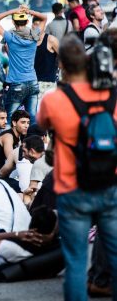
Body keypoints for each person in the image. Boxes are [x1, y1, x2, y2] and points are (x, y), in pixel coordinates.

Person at [37, 35, 117, 301]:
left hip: (71, 189)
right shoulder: (111, 95)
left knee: (76, 262)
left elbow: (42, 123)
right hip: (109, 185)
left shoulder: (53, 99)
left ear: (61, 64)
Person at [0, 5, 47, 124]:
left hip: (17, 83)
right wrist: (29, 11)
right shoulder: (34, 36)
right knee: (31, 118)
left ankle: (9, 142)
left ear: (13, 22)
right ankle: (32, 141)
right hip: (32, 81)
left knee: (9, 118)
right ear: (27, 21)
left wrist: (13, 10)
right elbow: (44, 18)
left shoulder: (10, 38)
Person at [0, 206, 59, 280]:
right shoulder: (51, 244)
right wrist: (51, 235)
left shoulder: (14, 248)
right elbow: (59, 214)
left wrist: (17, 234)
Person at [0, 110, 30, 190]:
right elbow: (11, 158)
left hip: (7, 172)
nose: (26, 125)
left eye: (28, 123)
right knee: (22, 186)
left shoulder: (21, 136)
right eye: (23, 122)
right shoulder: (8, 136)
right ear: (14, 123)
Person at [32, 15, 60, 102]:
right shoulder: (29, 41)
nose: (38, 27)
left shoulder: (51, 40)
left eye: (40, 25)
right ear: (32, 26)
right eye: (35, 25)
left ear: (44, 26)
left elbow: (64, 56)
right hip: (32, 83)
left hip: (48, 83)